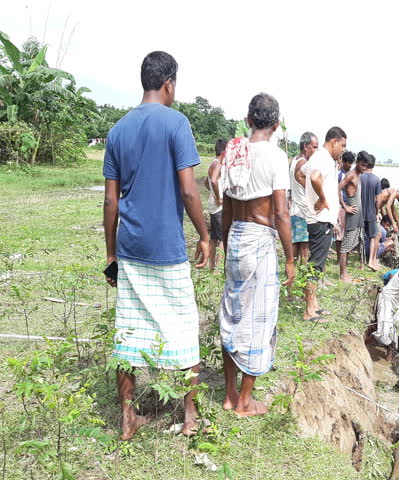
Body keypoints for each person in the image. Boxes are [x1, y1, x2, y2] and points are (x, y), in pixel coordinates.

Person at [102, 51, 210, 440]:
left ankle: (128, 418)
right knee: (183, 326)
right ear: (170, 84)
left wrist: (111, 253)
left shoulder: (118, 130)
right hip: (167, 247)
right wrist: (205, 234)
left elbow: (111, 201)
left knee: (128, 331)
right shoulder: (177, 123)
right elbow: (188, 189)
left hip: (130, 248)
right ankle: (190, 415)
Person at [217, 93, 294, 417]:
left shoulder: (234, 154)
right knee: (259, 319)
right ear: (276, 125)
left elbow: (228, 210)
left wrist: (225, 249)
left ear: (248, 120)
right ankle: (245, 402)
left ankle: (229, 394)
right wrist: (290, 258)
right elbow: (280, 214)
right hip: (260, 241)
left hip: (236, 238)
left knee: (233, 313)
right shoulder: (276, 157)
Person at [300, 126, 347, 322]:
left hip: (319, 219)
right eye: (342, 145)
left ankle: (315, 304)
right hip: (319, 220)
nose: (343, 149)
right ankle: (308, 310)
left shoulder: (317, 158)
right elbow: (313, 177)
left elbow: (301, 175)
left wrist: (311, 195)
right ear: (334, 141)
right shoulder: (325, 159)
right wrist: (320, 198)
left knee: (317, 263)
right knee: (316, 265)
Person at [338, 151, 369, 282]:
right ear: (357, 163)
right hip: (352, 214)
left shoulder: (359, 175)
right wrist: (345, 207)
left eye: (366, 166)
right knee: (345, 245)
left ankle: (347, 271)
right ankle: (342, 274)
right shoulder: (350, 175)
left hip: (359, 215)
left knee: (356, 242)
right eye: (362, 165)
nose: (364, 168)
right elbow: (337, 188)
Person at [288, 132, 318, 263]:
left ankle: (293, 269)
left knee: (297, 241)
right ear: (306, 146)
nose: (316, 151)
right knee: (304, 244)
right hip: (302, 209)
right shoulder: (303, 164)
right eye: (314, 147)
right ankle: (302, 272)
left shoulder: (294, 160)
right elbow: (309, 188)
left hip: (296, 207)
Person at [206, 138, 227, 271]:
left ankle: (212, 266)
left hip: (212, 206)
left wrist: (213, 193)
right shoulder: (218, 164)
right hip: (218, 207)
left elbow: (205, 183)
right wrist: (219, 197)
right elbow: (213, 181)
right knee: (223, 239)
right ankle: (218, 269)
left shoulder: (212, 163)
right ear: (224, 152)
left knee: (214, 238)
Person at [360, 153, 383, 271]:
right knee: (373, 237)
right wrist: (377, 211)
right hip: (371, 213)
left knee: (361, 237)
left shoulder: (360, 177)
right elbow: (378, 200)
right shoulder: (376, 180)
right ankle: (371, 261)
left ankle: (361, 263)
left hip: (360, 212)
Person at [334, 151, 354, 261]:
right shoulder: (339, 175)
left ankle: (345, 258)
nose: (350, 165)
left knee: (348, 234)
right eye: (348, 163)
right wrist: (344, 205)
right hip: (341, 207)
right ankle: (339, 258)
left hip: (350, 207)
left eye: (351, 163)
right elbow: (337, 190)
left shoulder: (351, 174)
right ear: (343, 162)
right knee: (339, 235)